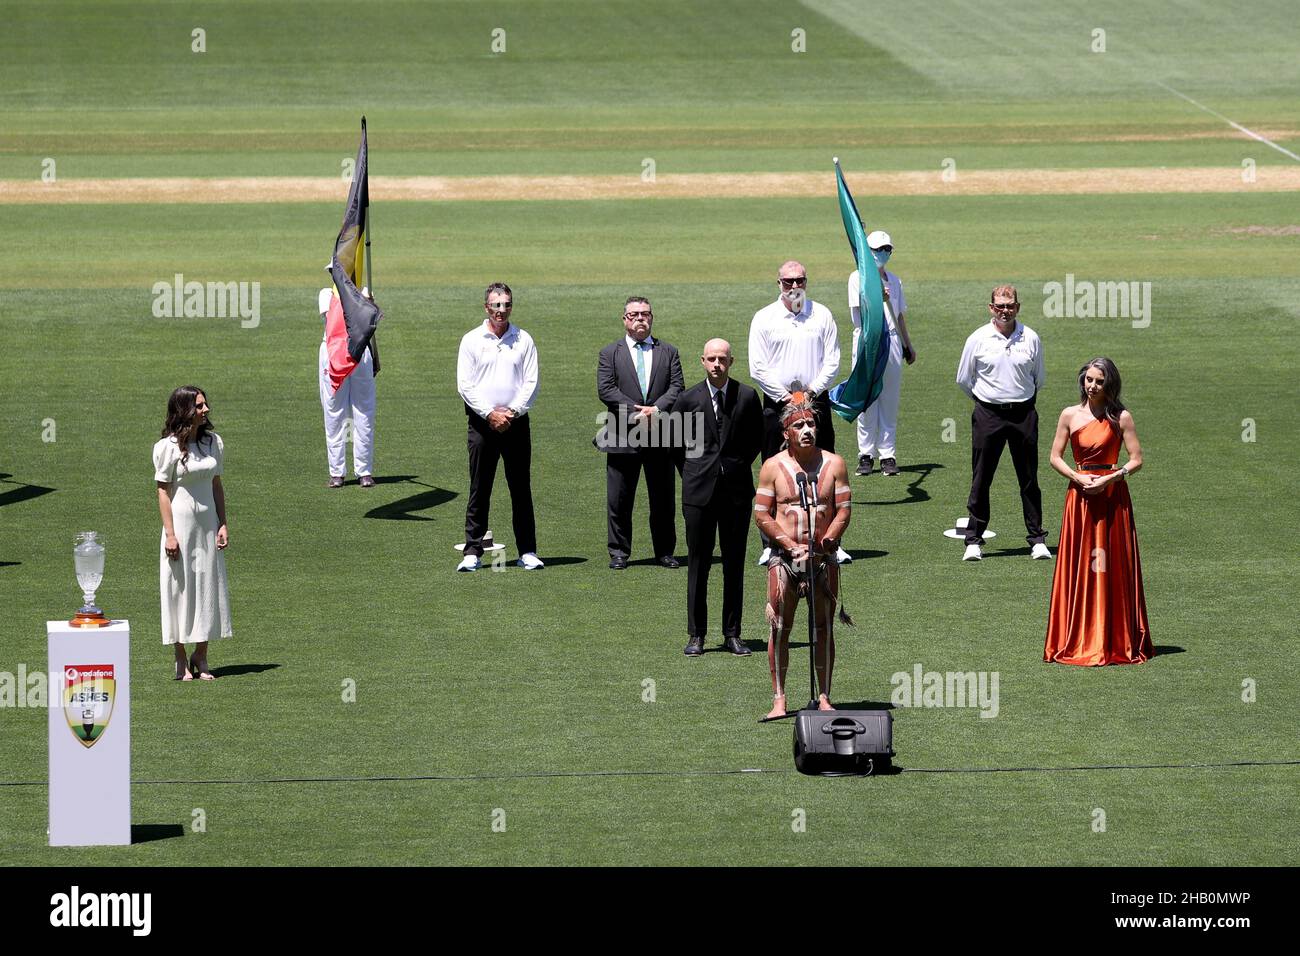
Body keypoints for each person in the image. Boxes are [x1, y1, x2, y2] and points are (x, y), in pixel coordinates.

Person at [1044, 358, 1152, 665]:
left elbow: (1136, 459)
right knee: (1079, 565)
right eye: (1089, 380)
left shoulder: (1121, 417)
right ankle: (1076, 637)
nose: (1092, 386)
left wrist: (1113, 477)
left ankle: (1115, 639)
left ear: (1110, 385)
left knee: (1111, 566)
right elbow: (1055, 456)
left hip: (1112, 498)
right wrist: (1076, 477)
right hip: (1079, 500)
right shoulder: (1069, 414)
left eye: (1099, 381)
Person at [753, 394, 853, 719]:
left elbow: (843, 509)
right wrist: (785, 541)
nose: (807, 430)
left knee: (824, 628)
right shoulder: (771, 467)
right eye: (799, 425)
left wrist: (828, 539)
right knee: (780, 628)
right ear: (786, 432)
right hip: (785, 560)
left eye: (810, 423)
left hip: (822, 560)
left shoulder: (835, 464)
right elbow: (762, 514)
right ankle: (779, 699)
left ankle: (824, 696)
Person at [748, 260, 850, 565]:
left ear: (806, 282)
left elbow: (832, 360)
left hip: (815, 402)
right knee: (773, 469)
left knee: (824, 470)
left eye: (800, 281)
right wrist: (787, 397)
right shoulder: (764, 318)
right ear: (778, 283)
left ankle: (831, 542)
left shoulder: (822, 315)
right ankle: (772, 543)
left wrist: (809, 393)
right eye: (788, 282)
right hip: (776, 405)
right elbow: (758, 366)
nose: (794, 287)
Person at [671, 338, 763, 656]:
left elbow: (756, 441)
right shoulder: (687, 399)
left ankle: (732, 634)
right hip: (698, 495)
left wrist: (734, 467)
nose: (716, 365)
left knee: (734, 564)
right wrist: (695, 473)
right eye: (711, 359)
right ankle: (697, 635)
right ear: (702, 361)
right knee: (698, 565)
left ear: (731, 361)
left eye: (722, 359)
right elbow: (674, 446)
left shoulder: (748, 397)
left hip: (736, 494)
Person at [954, 284, 1050, 562]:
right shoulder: (978, 338)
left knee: (1029, 477)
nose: (1004, 311)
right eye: (999, 306)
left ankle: (1037, 539)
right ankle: (973, 540)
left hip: (1023, 415)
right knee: (981, 478)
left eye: (1009, 306)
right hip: (988, 415)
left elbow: (1039, 378)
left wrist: (1017, 397)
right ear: (991, 308)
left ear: (1017, 308)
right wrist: (987, 400)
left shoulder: (1030, 338)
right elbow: (963, 378)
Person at [456, 282, 543, 571]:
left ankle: (527, 551)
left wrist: (513, 411)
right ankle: (472, 551)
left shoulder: (524, 339)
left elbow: (531, 382)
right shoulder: (471, 340)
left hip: (516, 425)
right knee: (480, 487)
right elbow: (465, 385)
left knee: (520, 488)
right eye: (496, 305)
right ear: (486, 307)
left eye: (506, 305)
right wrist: (489, 413)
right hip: (482, 425)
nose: (501, 310)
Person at [595, 296, 684, 570]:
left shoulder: (668, 351)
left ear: (652, 318)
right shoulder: (610, 353)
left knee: (663, 498)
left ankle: (665, 552)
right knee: (619, 498)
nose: (640, 319)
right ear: (624, 319)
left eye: (645, 314)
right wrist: (636, 410)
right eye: (634, 314)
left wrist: (655, 409)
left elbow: (677, 386)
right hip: (623, 434)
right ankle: (619, 552)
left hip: (660, 434)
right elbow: (606, 389)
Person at [153, 386, 232, 680]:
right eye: (199, 406)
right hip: (181, 527)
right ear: (185, 410)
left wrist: (223, 522)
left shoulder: (213, 442)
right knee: (179, 586)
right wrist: (170, 534)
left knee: (207, 583)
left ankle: (202, 654)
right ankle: (179, 655)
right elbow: (162, 492)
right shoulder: (167, 448)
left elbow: (216, 484)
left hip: (207, 526)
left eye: (205, 404)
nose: (206, 410)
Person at [848, 230, 916, 477]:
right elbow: (861, 313)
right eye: (878, 250)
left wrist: (908, 345)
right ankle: (865, 454)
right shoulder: (858, 278)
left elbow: (899, 315)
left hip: (893, 341)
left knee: (889, 398)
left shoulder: (895, 280)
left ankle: (888, 454)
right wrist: (878, 295)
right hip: (868, 341)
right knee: (868, 400)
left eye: (887, 250)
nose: (883, 254)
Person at [318, 271, 376, 489]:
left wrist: (370, 304)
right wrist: (364, 303)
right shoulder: (326, 294)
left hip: (360, 352)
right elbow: (337, 318)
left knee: (364, 411)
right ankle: (337, 472)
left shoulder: (364, 291)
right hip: (334, 353)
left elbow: (371, 324)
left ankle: (364, 470)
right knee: (334, 412)